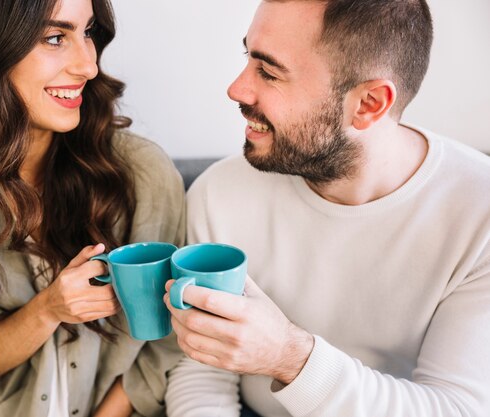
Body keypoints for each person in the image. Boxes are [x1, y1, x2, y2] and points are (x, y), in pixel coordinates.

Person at [163, 0, 490, 416]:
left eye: (269, 71)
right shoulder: (220, 192)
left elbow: (456, 409)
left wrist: (289, 356)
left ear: (369, 104)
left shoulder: (480, 214)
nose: (237, 89)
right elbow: (201, 373)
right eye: (249, 57)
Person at [0, 0, 185, 416]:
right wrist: (49, 310)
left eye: (89, 32)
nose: (88, 65)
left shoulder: (143, 173)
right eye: (56, 38)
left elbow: (171, 340)